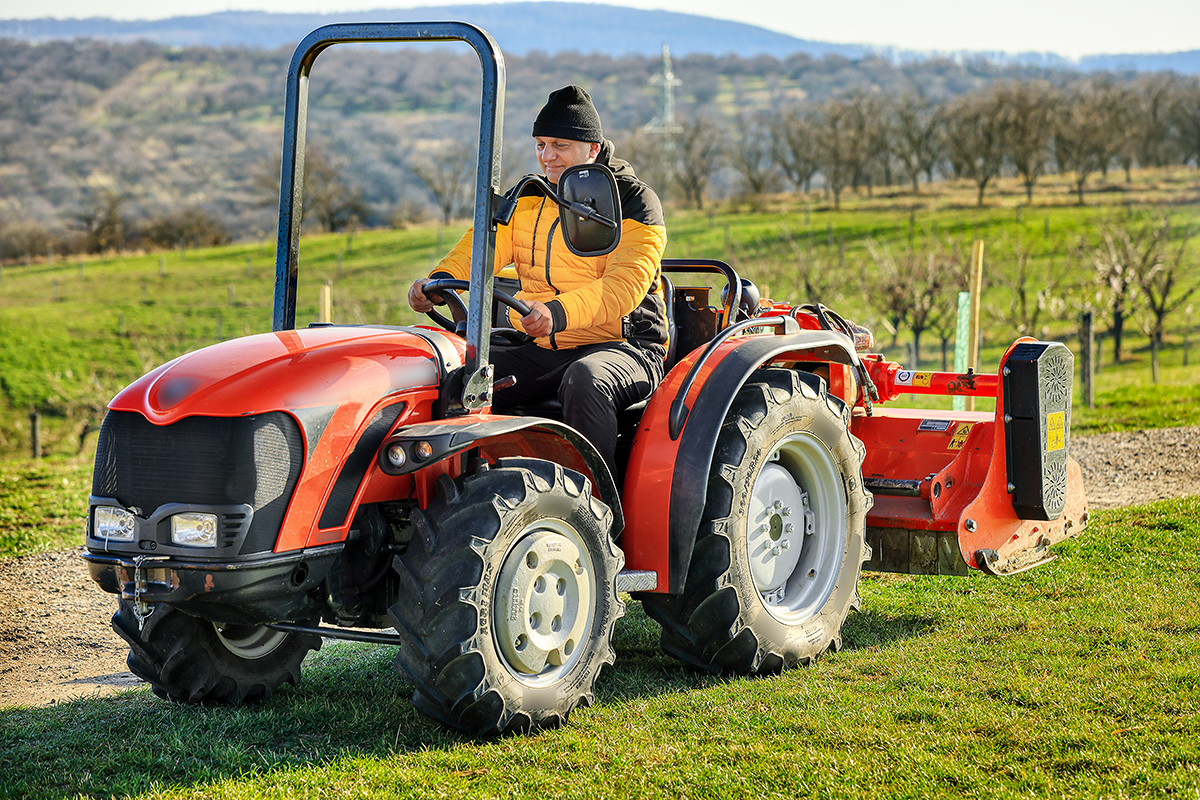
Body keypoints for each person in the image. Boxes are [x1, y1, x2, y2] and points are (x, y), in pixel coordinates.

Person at [408, 85, 668, 481]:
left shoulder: (633, 201)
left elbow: (625, 287)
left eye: (559, 145)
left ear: (592, 148)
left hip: (624, 346)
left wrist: (557, 314)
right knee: (456, 372)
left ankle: (597, 511)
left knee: (587, 380)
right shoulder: (529, 197)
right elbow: (480, 247)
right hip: (544, 345)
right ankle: (461, 492)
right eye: (541, 145)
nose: (547, 156)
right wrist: (439, 282)